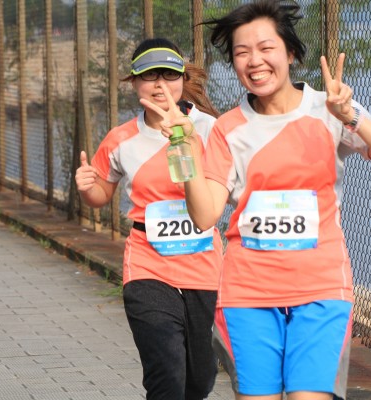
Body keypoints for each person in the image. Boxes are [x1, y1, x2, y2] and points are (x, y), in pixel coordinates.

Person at [142, 1, 371, 400]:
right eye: (242, 52)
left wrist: (351, 116)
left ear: (290, 53)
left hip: (322, 288)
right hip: (248, 293)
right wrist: (183, 146)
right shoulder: (227, 129)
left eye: (265, 48)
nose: (254, 61)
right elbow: (205, 216)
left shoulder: (329, 109)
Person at [75, 38, 223, 400]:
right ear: (133, 83)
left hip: (204, 266)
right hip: (147, 265)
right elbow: (100, 194)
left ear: (183, 79)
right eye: (149, 76)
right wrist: (87, 187)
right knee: (166, 371)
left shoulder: (211, 129)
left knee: (200, 378)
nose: (160, 85)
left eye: (169, 75)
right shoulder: (121, 139)